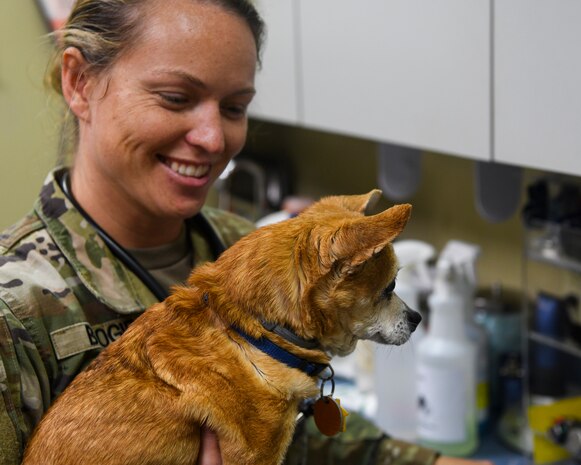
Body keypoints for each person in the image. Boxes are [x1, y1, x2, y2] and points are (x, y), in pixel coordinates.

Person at [0, 1, 495, 464]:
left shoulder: (249, 256)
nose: (215, 139)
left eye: (235, 108)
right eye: (176, 97)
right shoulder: (14, 312)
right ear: (79, 82)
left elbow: (330, 445)